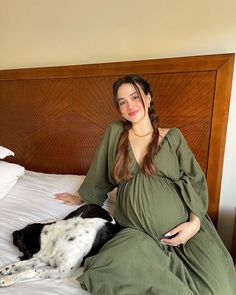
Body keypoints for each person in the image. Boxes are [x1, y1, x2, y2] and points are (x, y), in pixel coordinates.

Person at [55, 75, 236, 295]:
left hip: (184, 227)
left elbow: (193, 178)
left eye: (135, 96)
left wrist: (195, 223)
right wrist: (84, 196)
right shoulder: (116, 133)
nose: (129, 105)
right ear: (119, 109)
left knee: (222, 287)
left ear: (148, 98)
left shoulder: (173, 137)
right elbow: (100, 171)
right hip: (137, 234)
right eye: (122, 102)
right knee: (112, 267)